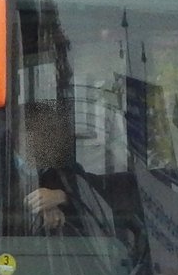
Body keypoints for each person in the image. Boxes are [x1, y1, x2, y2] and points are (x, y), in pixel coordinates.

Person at [17, 102, 116, 237]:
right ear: (25, 133)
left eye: (58, 132)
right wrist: (36, 207)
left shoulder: (65, 169)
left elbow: (91, 195)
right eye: (49, 131)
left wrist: (62, 197)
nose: (56, 139)